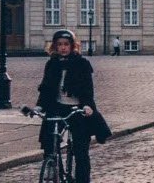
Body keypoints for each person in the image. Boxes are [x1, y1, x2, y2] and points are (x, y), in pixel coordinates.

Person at [36, 29, 112, 183]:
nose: (63, 47)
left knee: (80, 150)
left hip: (77, 108)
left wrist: (87, 106)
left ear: (72, 46)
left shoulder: (82, 63)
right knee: (48, 138)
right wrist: (39, 107)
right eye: (59, 45)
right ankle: (51, 164)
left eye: (66, 44)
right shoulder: (52, 64)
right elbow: (46, 89)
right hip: (57, 107)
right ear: (55, 47)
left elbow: (87, 88)